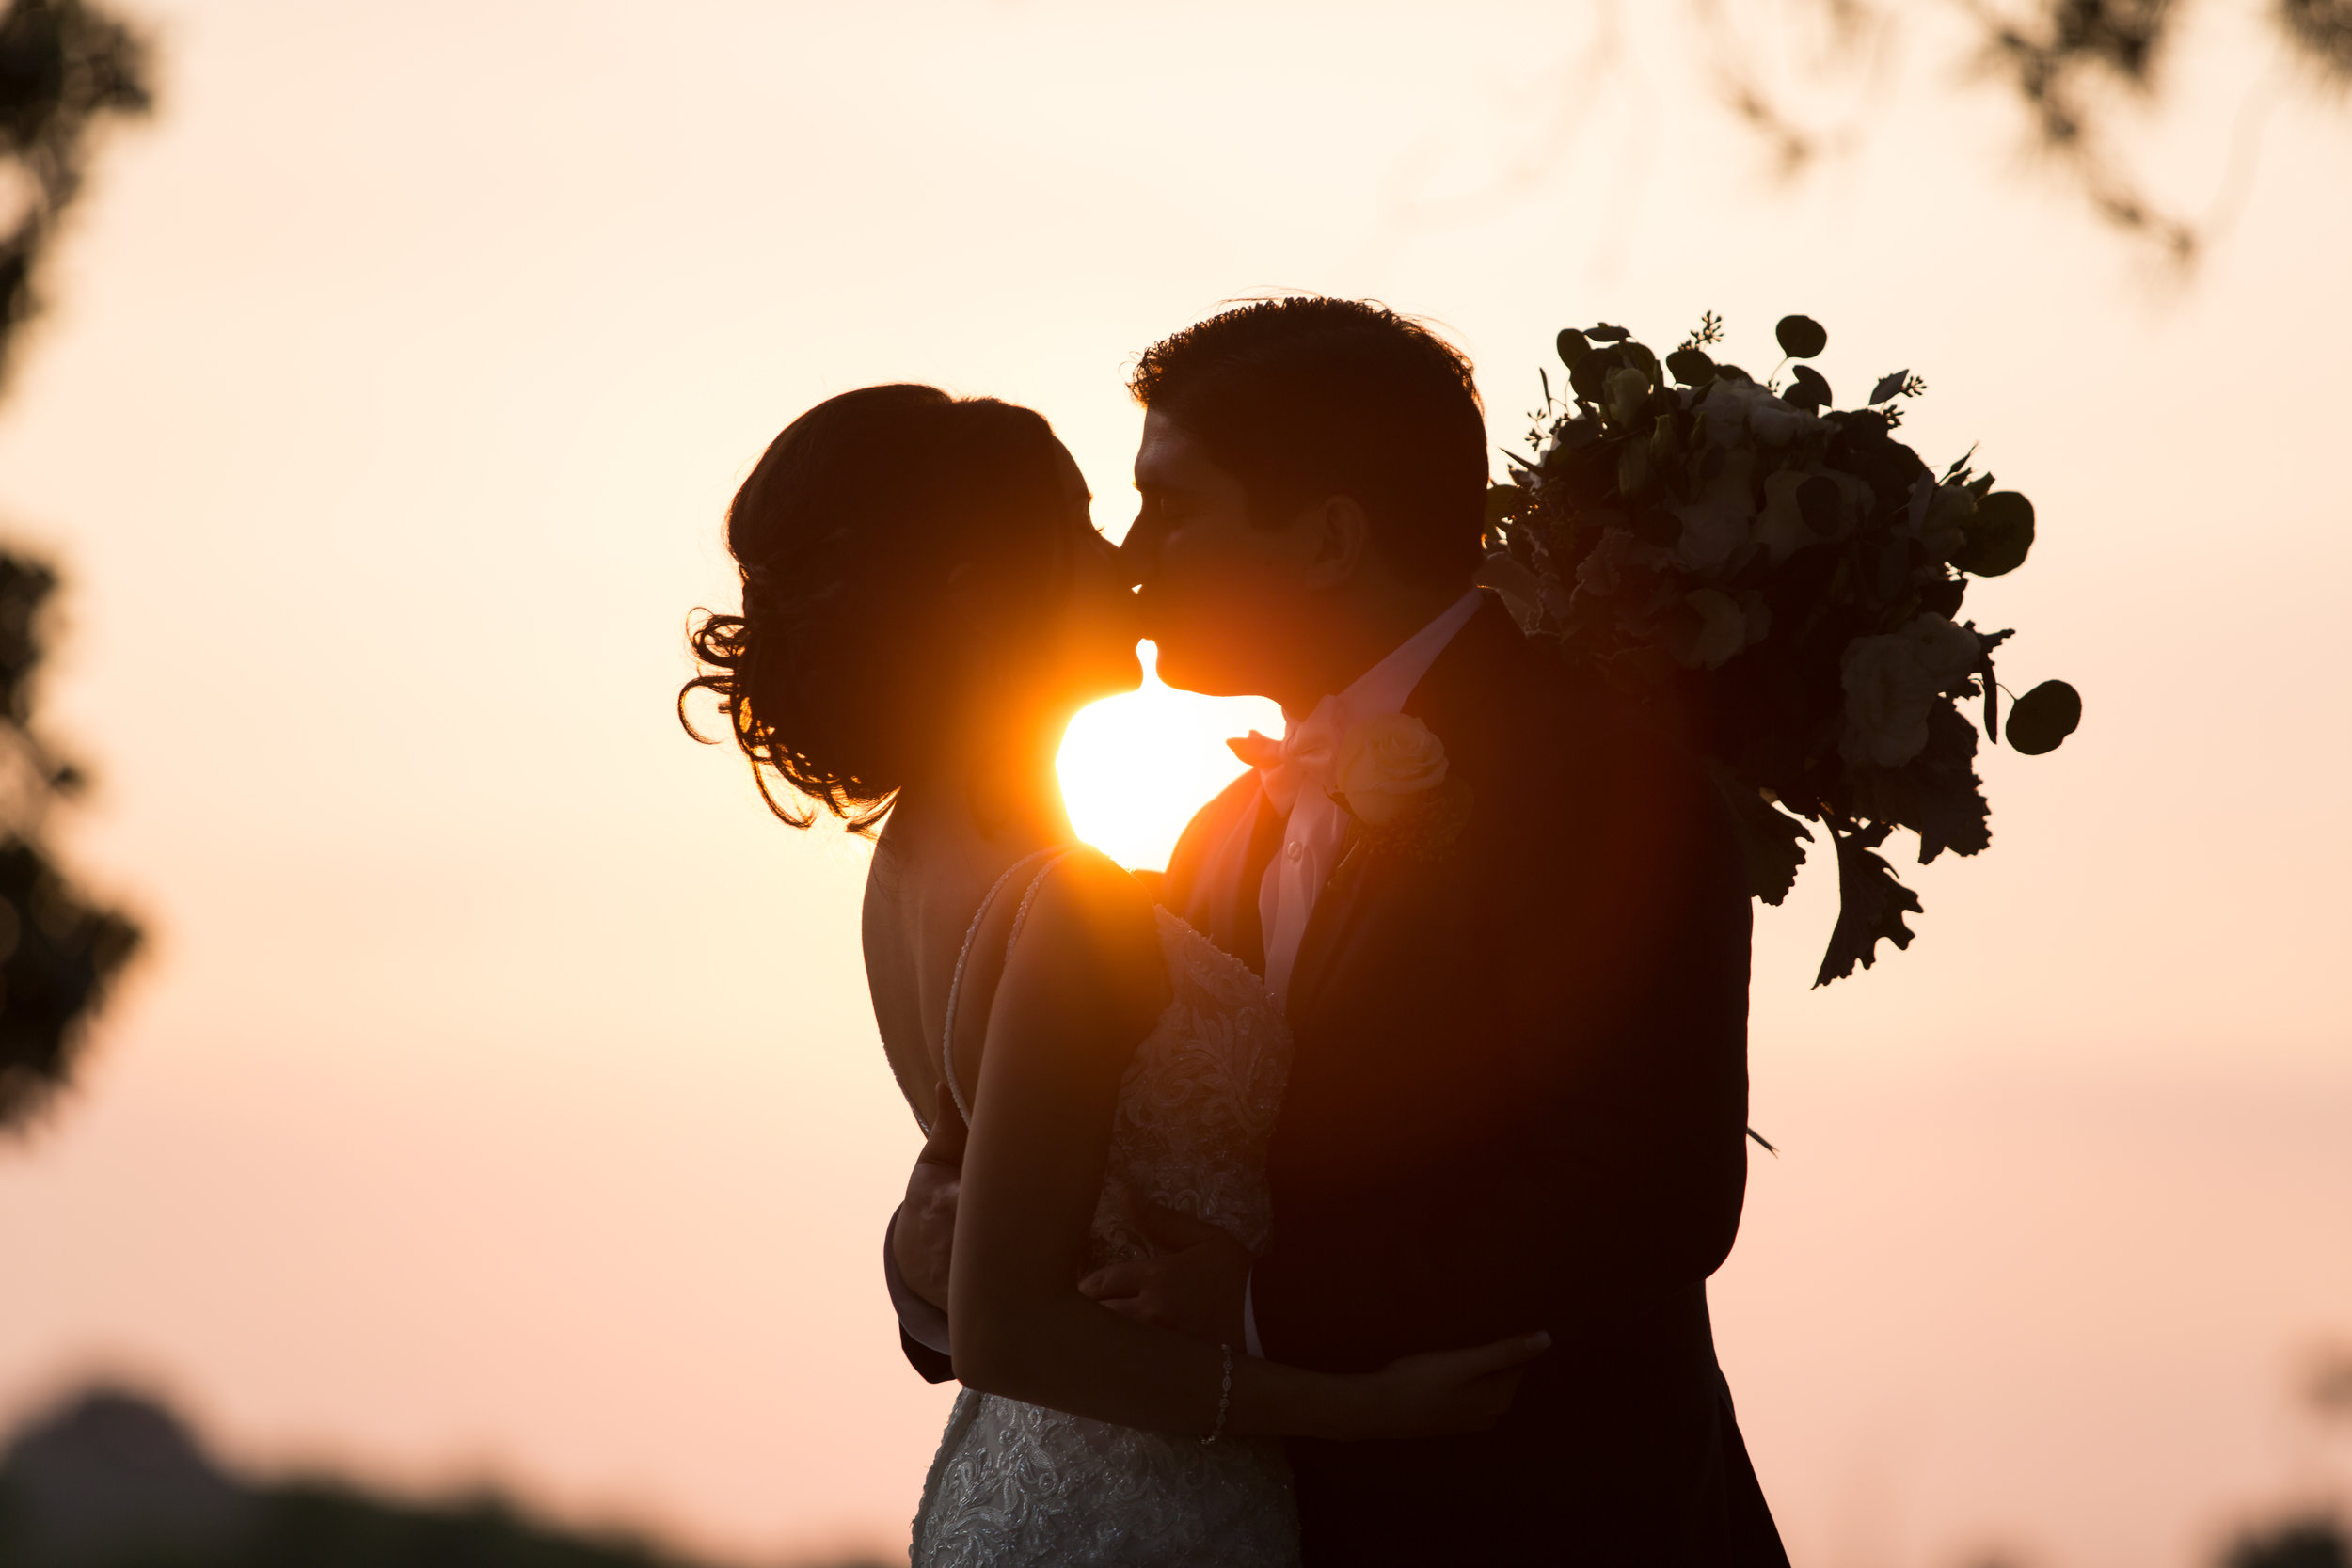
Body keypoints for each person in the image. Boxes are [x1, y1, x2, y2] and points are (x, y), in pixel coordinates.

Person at [887, 299, 1791, 1564]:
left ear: (1326, 539)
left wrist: (1265, 1304)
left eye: (1176, 505)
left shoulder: (1602, 783)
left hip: (1548, 1517)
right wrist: (949, 1261)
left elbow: (1650, 1197)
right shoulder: (1216, 830)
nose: (1136, 553)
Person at [682, 382, 1551, 1568]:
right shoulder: (1071, 897)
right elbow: (1011, 1323)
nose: (1124, 559)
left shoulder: (916, 861)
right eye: (1082, 525)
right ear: (981, 590)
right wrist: (1373, 1404)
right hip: (1143, 1500)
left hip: (1057, 1477)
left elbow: (981, 1198)